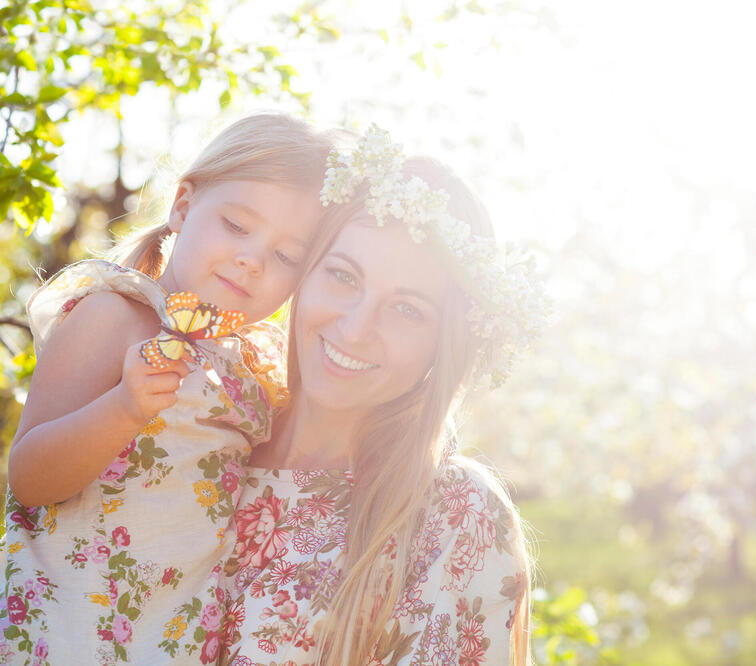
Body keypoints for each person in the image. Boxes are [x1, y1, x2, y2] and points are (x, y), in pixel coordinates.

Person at [1, 113, 334, 665]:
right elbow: (30, 477)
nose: (251, 259)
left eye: (285, 257)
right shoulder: (116, 314)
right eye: (236, 225)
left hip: (176, 638)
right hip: (71, 628)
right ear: (183, 204)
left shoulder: (256, 366)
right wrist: (124, 407)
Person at [217, 126, 547, 665]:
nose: (354, 327)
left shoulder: (452, 516)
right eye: (344, 276)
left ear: (443, 346)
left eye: (407, 309)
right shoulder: (198, 425)